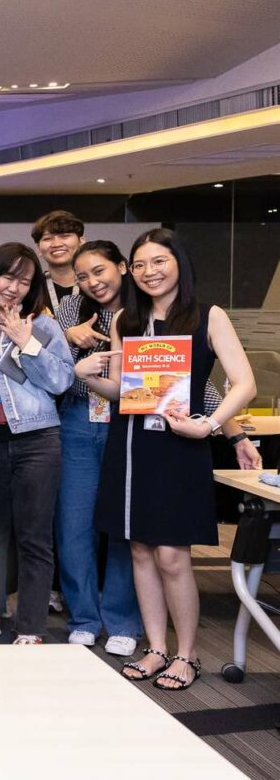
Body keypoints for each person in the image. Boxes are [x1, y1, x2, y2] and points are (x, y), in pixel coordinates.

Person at [58, 240, 260, 657]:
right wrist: (85, 374)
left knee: (171, 556)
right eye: (140, 264)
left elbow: (245, 384)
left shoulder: (208, 316)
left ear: (179, 263)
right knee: (139, 551)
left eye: (159, 261)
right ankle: (155, 649)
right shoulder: (128, 320)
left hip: (180, 448)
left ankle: (186, 655)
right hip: (131, 446)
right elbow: (120, 391)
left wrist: (210, 425)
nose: (149, 271)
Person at [0, 243, 75, 646]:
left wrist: (28, 343)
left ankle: (30, 626)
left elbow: (61, 381)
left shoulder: (42, 324)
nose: (14, 287)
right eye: (7, 277)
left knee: (34, 537)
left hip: (37, 439)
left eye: (24, 281)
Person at [31, 210, 84, 309]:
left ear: (81, 242)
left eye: (65, 236)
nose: (57, 244)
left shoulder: (95, 284)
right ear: (38, 249)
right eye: (48, 239)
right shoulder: (31, 287)